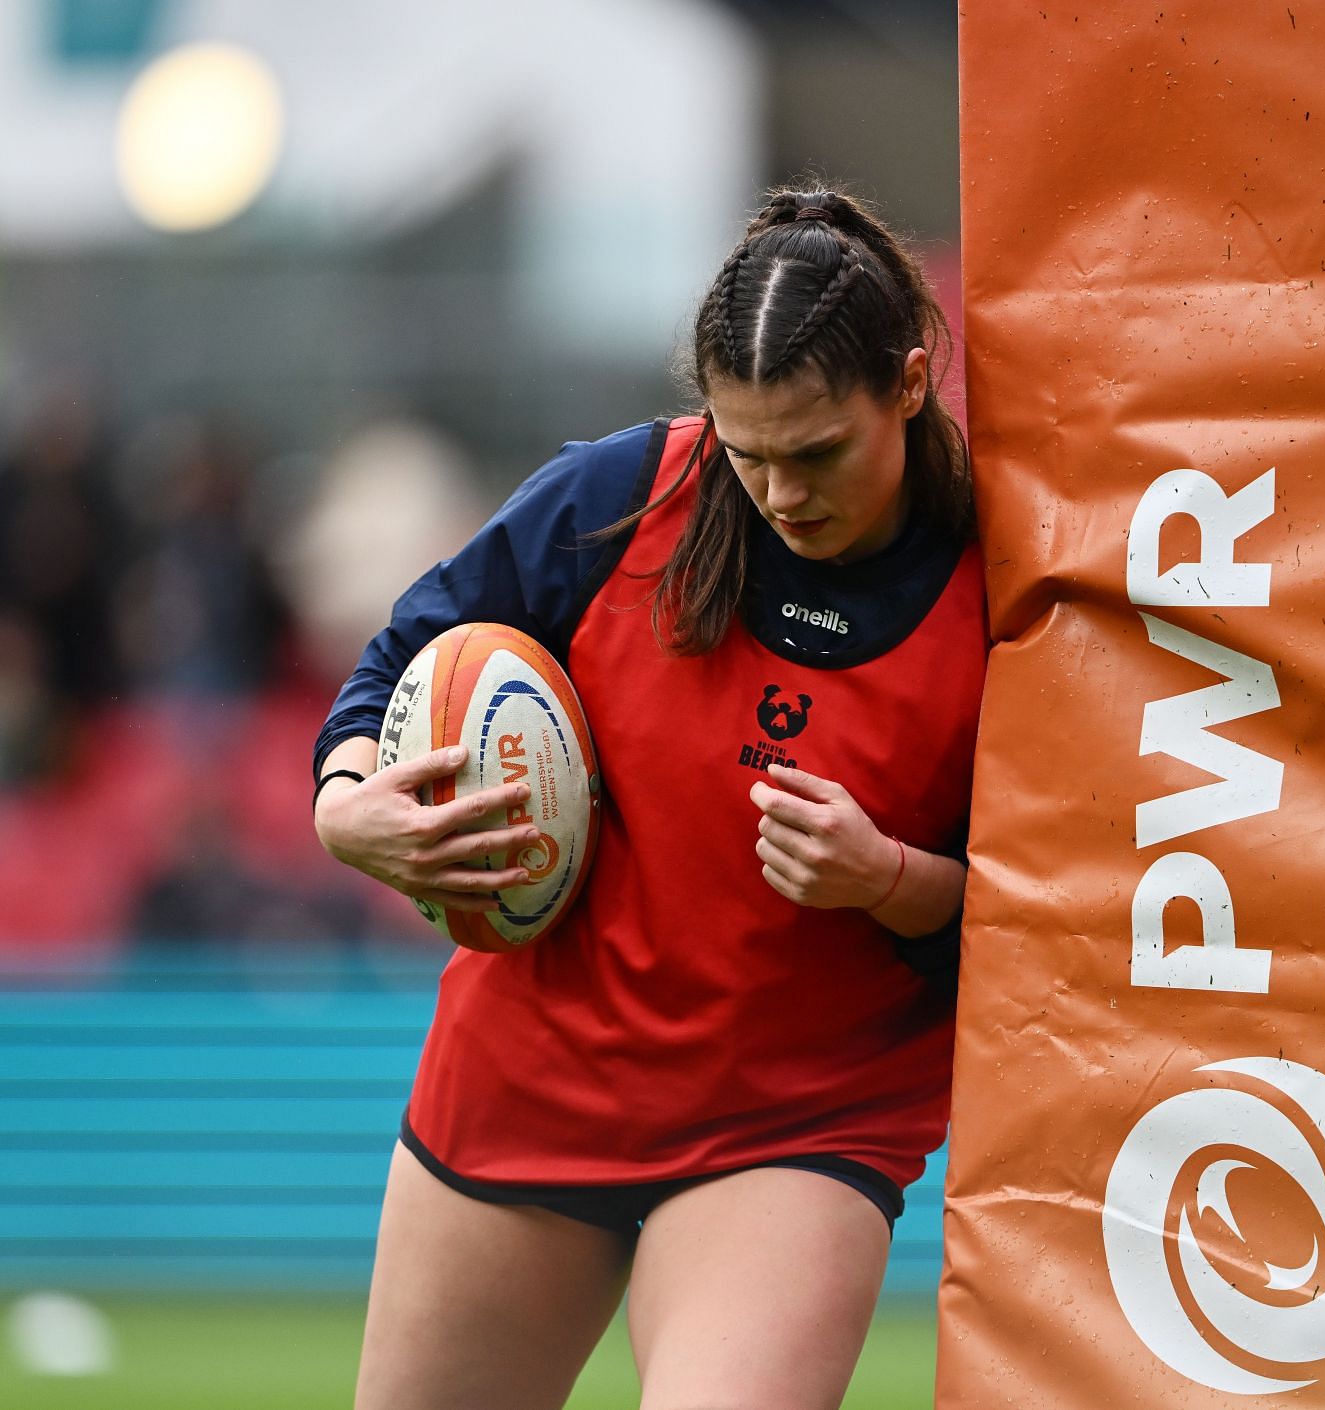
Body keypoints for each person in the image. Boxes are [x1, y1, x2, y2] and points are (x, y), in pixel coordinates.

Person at [310, 186, 986, 1410]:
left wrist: (887, 878)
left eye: (815, 450)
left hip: (799, 1121)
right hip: (529, 1072)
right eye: (746, 453)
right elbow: (399, 658)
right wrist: (348, 803)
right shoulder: (619, 495)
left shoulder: (1006, 583)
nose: (780, 495)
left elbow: (1041, 914)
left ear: (911, 380)